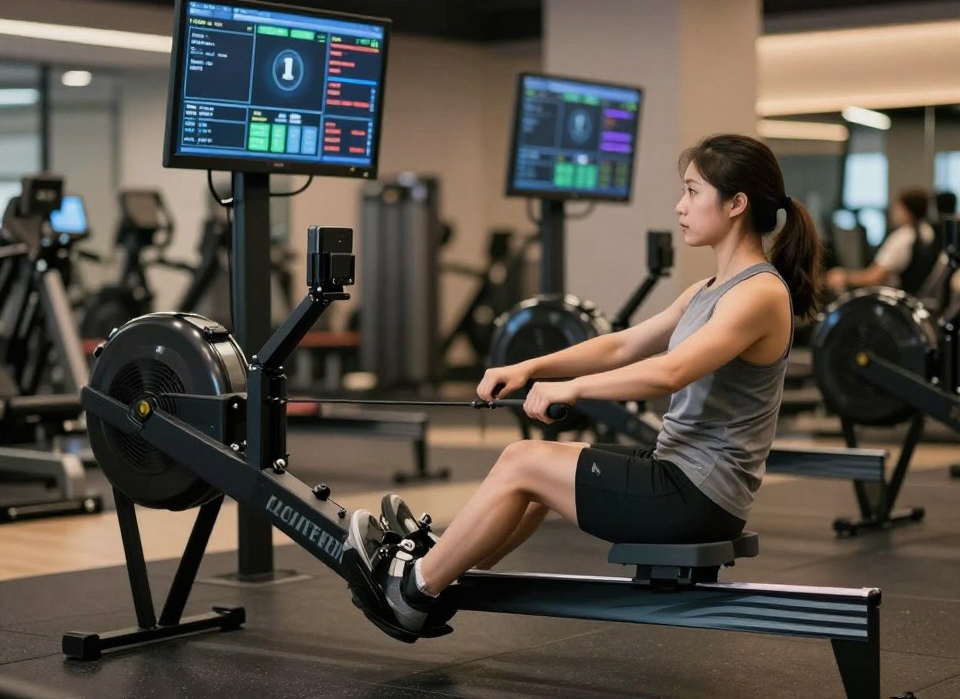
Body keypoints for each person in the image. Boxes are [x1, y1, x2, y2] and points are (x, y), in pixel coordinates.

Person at [344, 133, 823, 638]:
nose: (680, 206)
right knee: (543, 468)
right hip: (679, 476)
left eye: (692, 191)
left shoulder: (759, 293)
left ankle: (411, 591)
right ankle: (446, 566)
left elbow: (671, 371)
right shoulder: (706, 290)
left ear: (736, 204)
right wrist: (531, 368)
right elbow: (621, 345)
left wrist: (572, 388)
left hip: (698, 498)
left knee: (523, 460)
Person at [825, 186, 936, 296]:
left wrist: (844, 276)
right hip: (916, 295)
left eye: (897, 207)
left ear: (906, 211)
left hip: (893, 297)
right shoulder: (927, 232)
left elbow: (875, 278)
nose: (893, 212)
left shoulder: (902, 238)